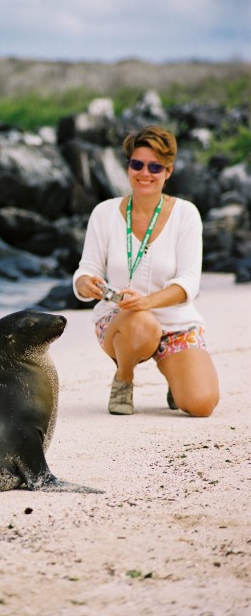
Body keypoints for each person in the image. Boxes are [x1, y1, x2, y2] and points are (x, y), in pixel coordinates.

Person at [73, 125, 219, 417]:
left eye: (155, 166)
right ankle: (124, 378)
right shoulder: (104, 212)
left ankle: (175, 376)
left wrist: (148, 301)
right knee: (142, 322)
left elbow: (189, 283)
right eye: (137, 164)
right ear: (128, 166)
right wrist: (85, 284)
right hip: (122, 323)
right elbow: (84, 272)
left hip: (176, 323)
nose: (145, 173)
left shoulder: (186, 214)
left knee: (201, 405)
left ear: (168, 171)